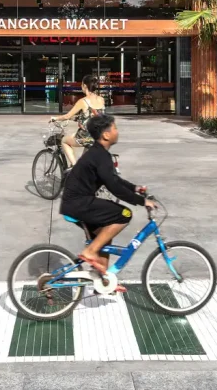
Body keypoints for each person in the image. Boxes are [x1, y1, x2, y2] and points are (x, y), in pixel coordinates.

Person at [59, 113, 156, 274]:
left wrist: (134, 188)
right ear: (106, 134)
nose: (117, 131)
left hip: (76, 203)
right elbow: (114, 187)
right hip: (79, 204)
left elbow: (113, 179)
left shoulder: (99, 153)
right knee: (124, 214)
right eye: (115, 128)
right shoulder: (100, 156)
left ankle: (103, 277)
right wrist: (141, 201)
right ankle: (90, 252)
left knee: (105, 235)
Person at [49, 75, 105, 167]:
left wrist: (56, 118)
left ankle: (75, 169)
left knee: (64, 140)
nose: (81, 86)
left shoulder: (83, 101)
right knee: (84, 164)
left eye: (81, 85)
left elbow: (67, 115)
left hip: (85, 137)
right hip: (99, 136)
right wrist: (75, 119)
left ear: (85, 86)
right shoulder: (101, 100)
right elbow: (92, 116)